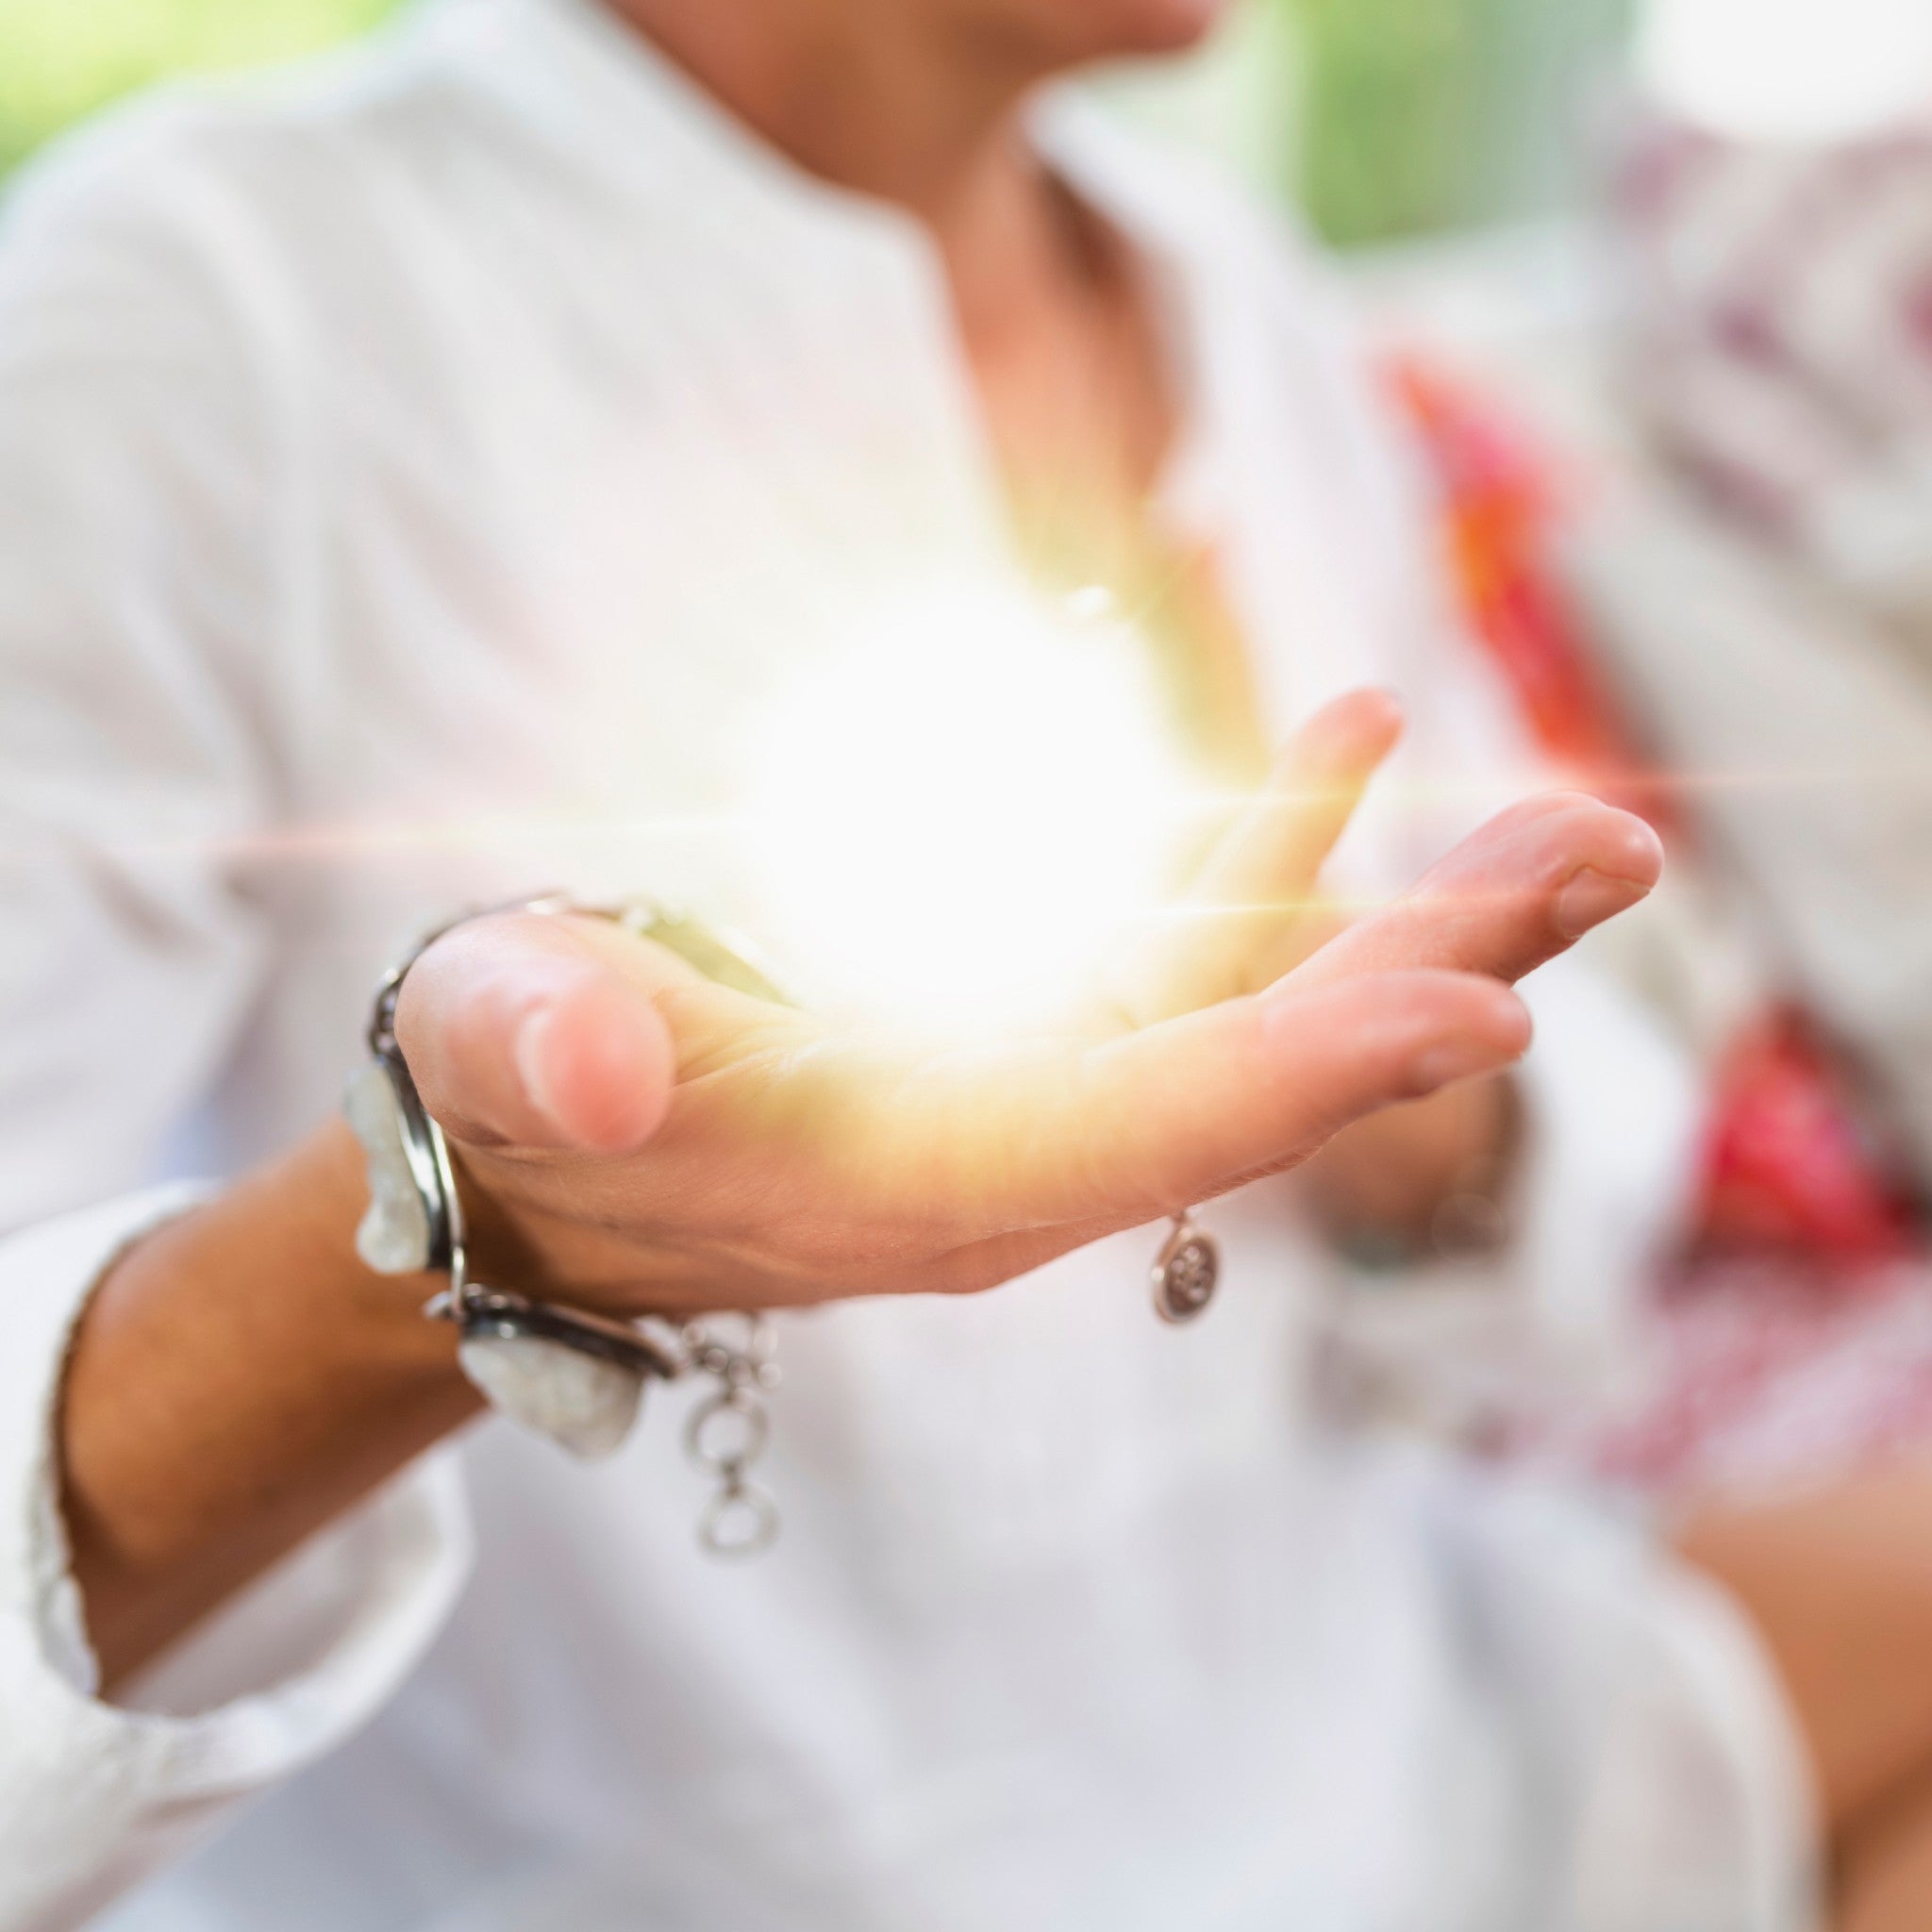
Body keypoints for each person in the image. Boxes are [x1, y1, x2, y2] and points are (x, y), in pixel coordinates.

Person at [0, 0, 1919, 1927]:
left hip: (1362, 1725)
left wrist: (1397, 1094)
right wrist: (470, 1230)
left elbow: (1564, 1227)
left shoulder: (1237, 294)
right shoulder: (204, 310)